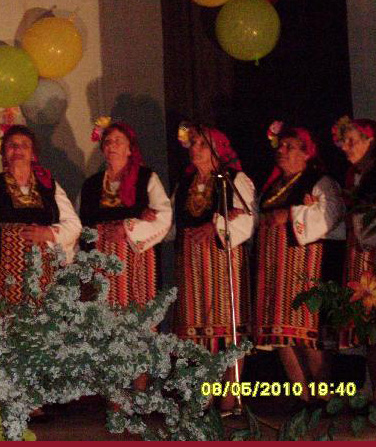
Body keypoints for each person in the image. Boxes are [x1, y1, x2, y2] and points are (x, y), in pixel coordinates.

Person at [254, 123, 344, 405]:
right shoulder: (273, 187)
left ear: (306, 153)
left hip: (304, 267)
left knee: (307, 333)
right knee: (281, 333)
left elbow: (330, 216)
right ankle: (303, 396)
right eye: (281, 146)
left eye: (290, 146)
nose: (282, 151)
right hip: (273, 266)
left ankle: (324, 394)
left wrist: (292, 213)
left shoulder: (320, 181)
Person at [171, 125, 255, 411]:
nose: (195, 149)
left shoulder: (233, 179)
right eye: (192, 143)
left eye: (202, 144)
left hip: (222, 260)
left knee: (228, 329)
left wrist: (216, 224)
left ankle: (231, 395)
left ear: (218, 149)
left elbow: (247, 219)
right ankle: (204, 392)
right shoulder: (184, 184)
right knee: (199, 332)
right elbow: (173, 221)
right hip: (191, 263)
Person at [333, 116, 376, 406]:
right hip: (361, 255)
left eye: (352, 141)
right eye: (343, 142)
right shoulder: (354, 176)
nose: (346, 147)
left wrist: (365, 234)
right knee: (369, 326)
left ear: (370, 141)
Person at [0, 124, 81, 305]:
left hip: (44, 274)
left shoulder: (49, 186)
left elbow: (74, 225)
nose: (18, 149)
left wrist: (48, 233)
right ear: (4, 153)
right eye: (12, 145)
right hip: (2, 277)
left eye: (24, 145)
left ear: (33, 154)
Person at [79, 121, 172, 309]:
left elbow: (163, 217)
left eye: (118, 141)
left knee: (136, 316)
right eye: (107, 141)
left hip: (136, 264)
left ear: (130, 149)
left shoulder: (146, 178)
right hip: (101, 263)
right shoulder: (91, 185)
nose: (111, 145)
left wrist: (129, 228)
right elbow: (80, 223)